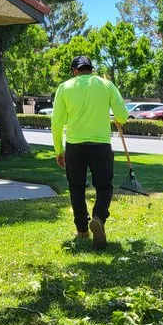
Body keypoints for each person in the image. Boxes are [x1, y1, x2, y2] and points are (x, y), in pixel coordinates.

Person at [52, 56, 129, 248]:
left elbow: (56, 122)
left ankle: (82, 230)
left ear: (74, 71)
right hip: (100, 145)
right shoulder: (106, 85)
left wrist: (59, 151)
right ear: (91, 69)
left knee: (76, 187)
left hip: (74, 145)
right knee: (104, 187)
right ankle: (98, 218)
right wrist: (119, 120)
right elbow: (123, 114)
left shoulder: (64, 87)